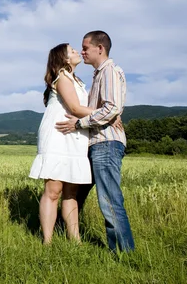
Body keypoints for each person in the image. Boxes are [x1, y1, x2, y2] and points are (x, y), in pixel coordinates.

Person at [56, 31, 135, 253]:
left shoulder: (109, 70)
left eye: (85, 47)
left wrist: (79, 123)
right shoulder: (98, 75)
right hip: (95, 144)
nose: (82, 52)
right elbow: (107, 110)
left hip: (106, 143)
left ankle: (123, 253)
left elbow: (111, 108)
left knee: (109, 200)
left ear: (100, 48)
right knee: (76, 195)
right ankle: (64, 237)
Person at [29, 43, 111, 244]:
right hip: (58, 135)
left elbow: (81, 108)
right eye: (73, 51)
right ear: (64, 59)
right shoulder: (63, 78)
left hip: (75, 136)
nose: (77, 52)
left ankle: (75, 241)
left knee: (71, 192)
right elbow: (75, 107)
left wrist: (104, 111)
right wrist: (110, 111)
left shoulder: (78, 81)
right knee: (53, 190)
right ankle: (47, 242)